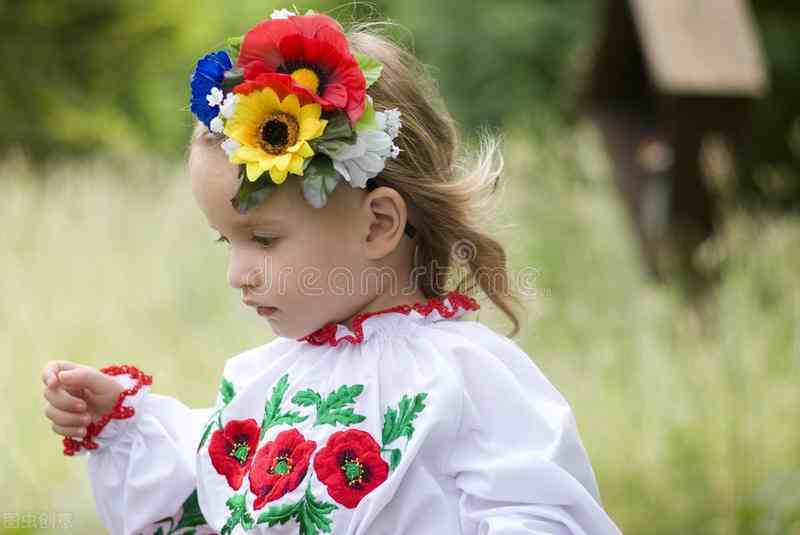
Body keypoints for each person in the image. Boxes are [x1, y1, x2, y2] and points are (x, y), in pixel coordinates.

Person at [41, 7, 623, 535]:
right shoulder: (268, 380)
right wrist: (122, 422)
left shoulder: (466, 375)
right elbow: (213, 495)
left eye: (263, 239)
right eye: (228, 242)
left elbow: (543, 514)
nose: (238, 273)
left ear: (377, 225)